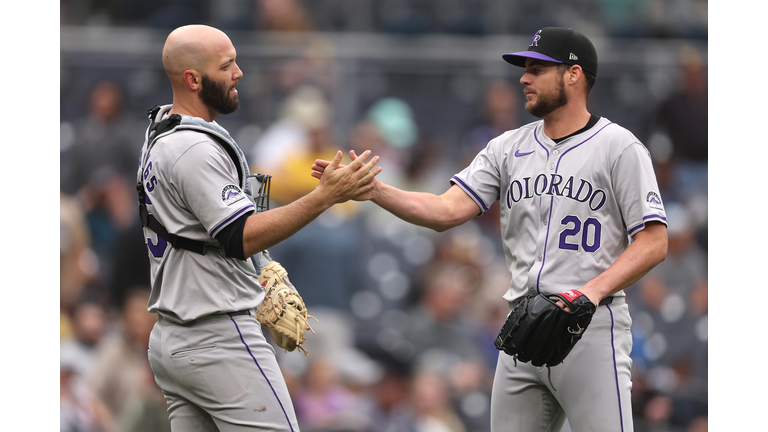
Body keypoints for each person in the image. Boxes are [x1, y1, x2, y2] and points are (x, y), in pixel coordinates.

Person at [313, 27, 668, 432]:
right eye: (525, 69)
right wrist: (374, 189)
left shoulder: (619, 147)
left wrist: (590, 292)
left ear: (573, 74)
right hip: (523, 325)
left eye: (537, 68)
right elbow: (446, 210)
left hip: (590, 324)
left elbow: (654, 242)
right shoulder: (507, 147)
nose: (523, 77)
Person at [139, 24, 381, 431]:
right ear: (193, 79)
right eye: (227, 65)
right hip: (217, 333)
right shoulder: (194, 148)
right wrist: (325, 196)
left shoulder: (163, 130)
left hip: (174, 338)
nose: (239, 73)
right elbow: (240, 236)